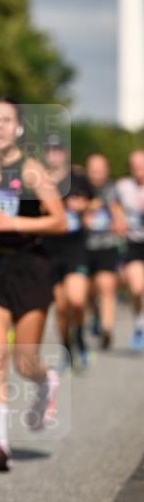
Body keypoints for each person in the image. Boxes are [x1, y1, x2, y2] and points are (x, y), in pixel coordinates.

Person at [0, 99, 66, 471]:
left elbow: (59, 221)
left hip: (29, 266)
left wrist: (15, 225)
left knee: (25, 361)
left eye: (6, 120)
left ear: (18, 128)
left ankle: (46, 379)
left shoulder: (30, 169)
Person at [42, 136, 93, 368]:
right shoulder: (39, 180)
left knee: (77, 300)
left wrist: (83, 206)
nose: (55, 154)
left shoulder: (78, 178)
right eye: (50, 150)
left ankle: (80, 334)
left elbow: (97, 201)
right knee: (61, 308)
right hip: (49, 249)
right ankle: (67, 348)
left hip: (75, 247)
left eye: (58, 150)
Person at [84, 152, 126, 349]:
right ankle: (95, 316)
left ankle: (107, 328)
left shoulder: (112, 189)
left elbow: (118, 210)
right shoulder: (80, 187)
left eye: (100, 170)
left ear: (106, 171)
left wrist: (119, 223)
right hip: (84, 245)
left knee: (107, 285)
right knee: (89, 289)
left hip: (106, 244)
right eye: (93, 170)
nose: (97, 174)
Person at [115, 150, 144, 351]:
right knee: (136, 288)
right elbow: (113, 205)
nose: (138, 170)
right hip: (133, 243)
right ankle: (139, 324)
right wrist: (118, 219)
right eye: (135, 166)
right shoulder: (122, 186)